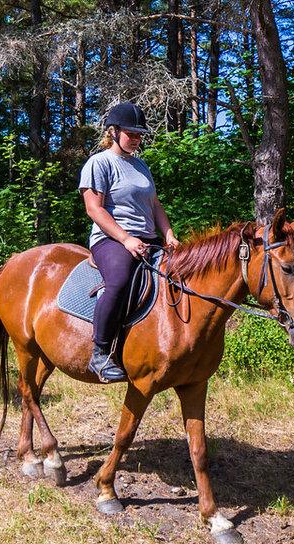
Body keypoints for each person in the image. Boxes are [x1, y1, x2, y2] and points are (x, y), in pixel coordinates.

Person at [78, 102, 179, 383]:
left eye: (139, 134)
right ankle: (100, 352)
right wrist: (125, 239)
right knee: (120, 280)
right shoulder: (99, 163)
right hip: (112, 239)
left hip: (147, 239)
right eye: (131, 133)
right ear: (114, 131)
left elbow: (155, 205)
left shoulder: (141, 165)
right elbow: (94, 209)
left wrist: (168, 233)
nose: (136, 138)